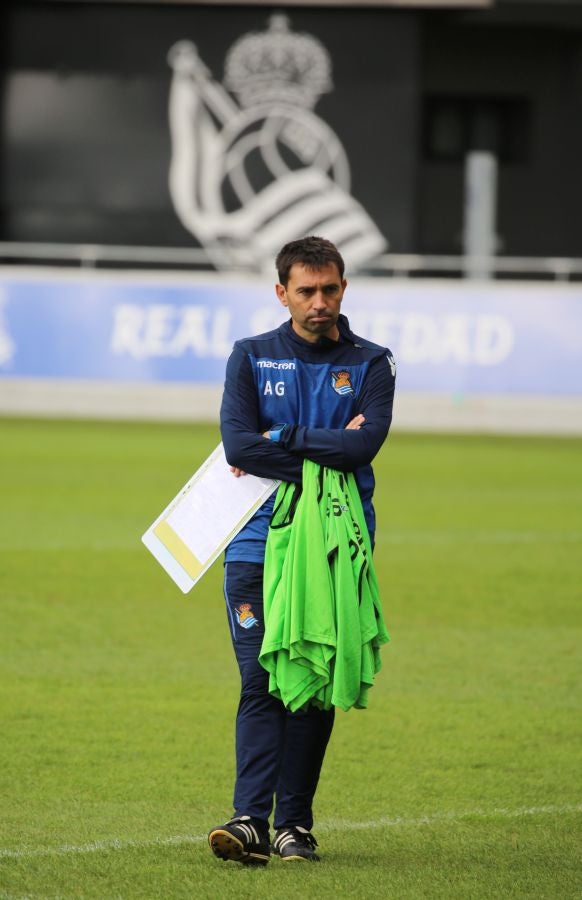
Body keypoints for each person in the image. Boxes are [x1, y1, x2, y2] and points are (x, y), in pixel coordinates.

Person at [208, 235, 396, 866]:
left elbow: (360, 450)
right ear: (282, 291)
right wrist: (321, 450)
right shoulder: (251, 356)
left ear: (344, 289)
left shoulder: (373, 362)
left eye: (331, 289)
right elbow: (238, 447)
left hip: (335, 551)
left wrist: (283, 436)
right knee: (260, 679)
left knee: (312, 682)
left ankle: (294, 826)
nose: (320, 302)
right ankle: (248, 820)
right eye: (307, 290)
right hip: (255, 545)